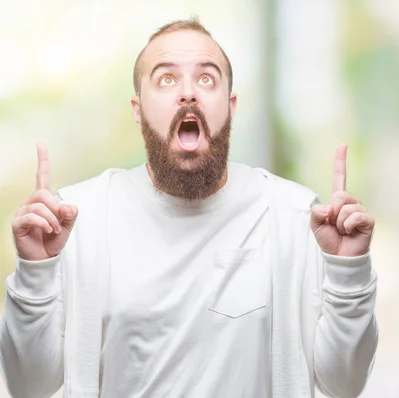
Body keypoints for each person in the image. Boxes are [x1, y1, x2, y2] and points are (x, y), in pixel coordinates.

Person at [0, 17, 378, 398]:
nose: (188, 93)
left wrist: (349, 272)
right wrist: (35, 270)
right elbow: (29, 387)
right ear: (137, 108)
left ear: (230, 106)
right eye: (166, 79)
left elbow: (343, 384)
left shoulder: (294, 217)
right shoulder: (78, 219)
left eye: (207, 79)